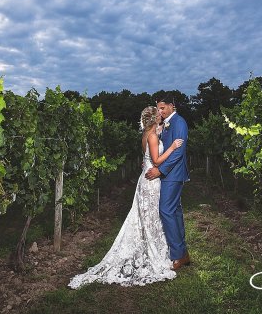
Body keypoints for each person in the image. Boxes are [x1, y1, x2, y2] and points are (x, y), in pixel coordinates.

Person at [68, 106, 184, 288]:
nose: (161, 115)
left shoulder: (146, 134)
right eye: (158, 113)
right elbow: (156, 161)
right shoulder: (153, 136)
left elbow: (147, 156)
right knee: (152, 217)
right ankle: (154, 252)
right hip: (151, 181)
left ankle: (153, 247)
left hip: (144, 178)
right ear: (154, 119)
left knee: (146, 217)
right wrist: (172, 147)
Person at [145, 94, 190, 271]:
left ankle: (178, 255)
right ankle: (183, 253)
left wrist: (160, 170)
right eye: (158, 109)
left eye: (163, 108)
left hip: (173, 174)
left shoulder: (179, 122)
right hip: (168, 174)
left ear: (172, 106)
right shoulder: (165, 124)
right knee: (175, 211)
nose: (160, 112)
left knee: (166, 210)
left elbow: (178, 152)